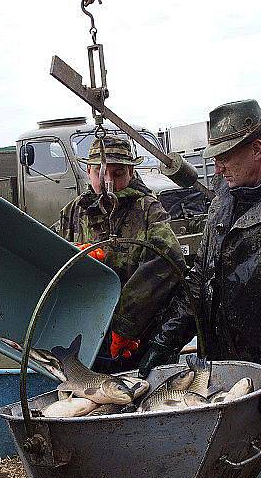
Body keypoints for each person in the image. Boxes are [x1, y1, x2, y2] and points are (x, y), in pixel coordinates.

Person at [139, 99, 261, 478]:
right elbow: (199, 286)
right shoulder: (221, 205)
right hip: (226, 388)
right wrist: (161, 344)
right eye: (216, 155)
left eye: (227, 155)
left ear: (260, 149)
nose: (217, 165)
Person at [54, 135, 186, 374]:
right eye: (100, 173)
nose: (109, 183)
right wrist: (72, 253)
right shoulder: (72, 213)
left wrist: (125, 324)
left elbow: (168, 259)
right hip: (88, 333)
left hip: (139, 334)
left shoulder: (147, 209)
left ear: (131, 172)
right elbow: (49, 259)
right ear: (88, 171)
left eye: (117, 174)